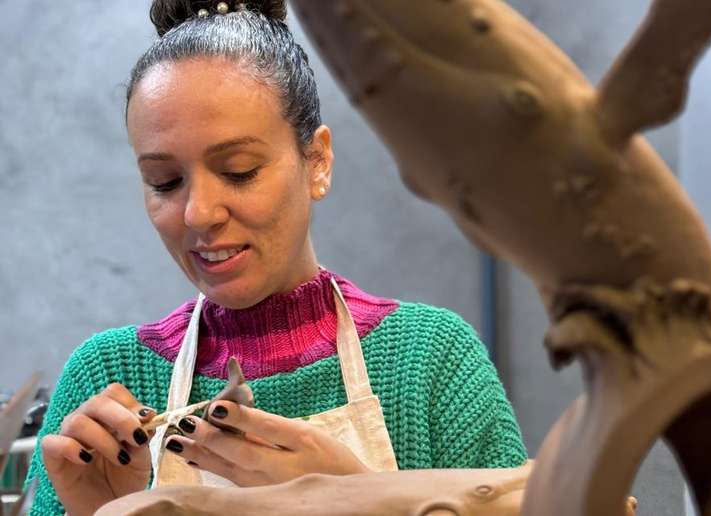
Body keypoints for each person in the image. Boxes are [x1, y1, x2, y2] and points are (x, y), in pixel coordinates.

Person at [25, 1, 527, 514]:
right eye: (165, 182)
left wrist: (367, 502)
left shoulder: (430, 362)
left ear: (318, 161)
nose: (198, 213)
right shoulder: (107, 379)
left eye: (239, 170)